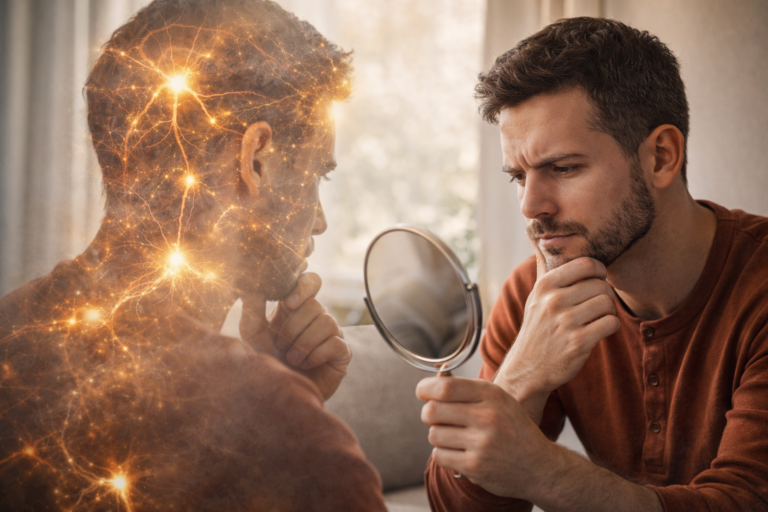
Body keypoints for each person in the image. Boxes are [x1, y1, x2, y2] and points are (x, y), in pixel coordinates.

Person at [0, 1, 387, 510]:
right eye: (319, 174)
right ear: (256, 160)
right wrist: (286, 416)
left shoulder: (11, 331)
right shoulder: (294, 443)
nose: (319, 220)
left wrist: (282, 392)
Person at [418, 17, 768, 511]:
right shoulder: (534, 295)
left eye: (562, 168)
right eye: (518, 176)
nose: (530, 205)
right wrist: (521, 379)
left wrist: (544, 472)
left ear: (661, 157)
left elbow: (745, 502)